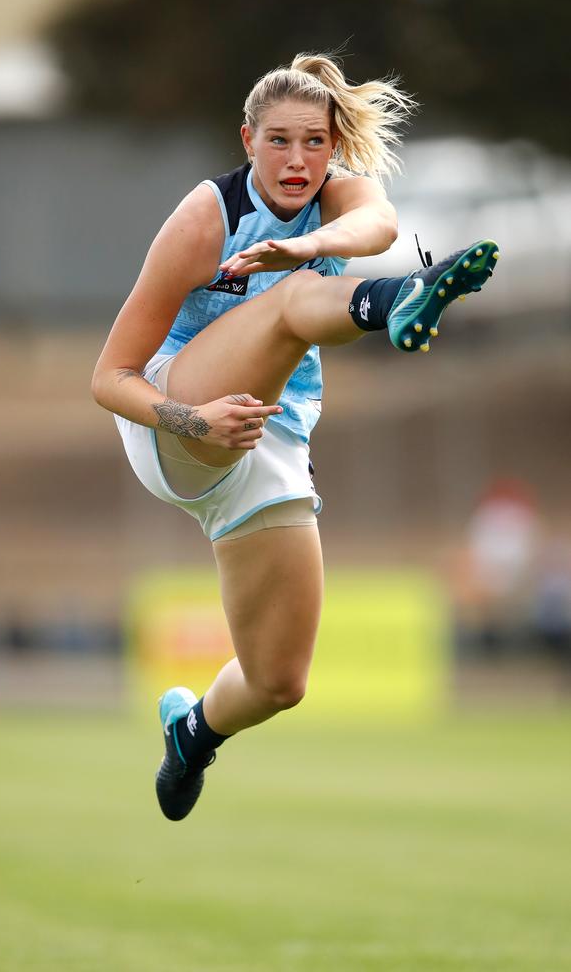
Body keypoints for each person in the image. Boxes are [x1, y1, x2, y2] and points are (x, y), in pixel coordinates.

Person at [92, 53, 499, 821]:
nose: (297, 160)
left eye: (314, 142)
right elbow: (109, 377)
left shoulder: (338, 199)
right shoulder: (204, 217)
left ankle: (192, 734)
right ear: (247, 139)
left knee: (280, 680)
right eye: (278, 141)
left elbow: (378, 223)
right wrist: (194, 419)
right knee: (296, 305)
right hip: (173, 419)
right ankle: (398, 300)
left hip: (266, 440)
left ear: (333, 145)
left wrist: (306, 247)